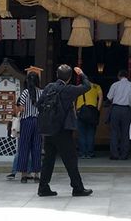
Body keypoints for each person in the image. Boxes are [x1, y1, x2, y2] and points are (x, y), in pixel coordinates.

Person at [37, 64, 93, 197]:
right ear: (69, 77)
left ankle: (43, 187)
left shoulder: (49, 87)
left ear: (57, 75)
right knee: (70, 160)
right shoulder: (69, 90)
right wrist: (81, 73)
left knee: (48, 160)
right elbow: (87, 86)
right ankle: (77, 188)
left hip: (49, 129)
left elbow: (39, 104)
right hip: (63, 129)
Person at [14, 71, 42, 183]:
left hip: (26, 121)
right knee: (37, 147)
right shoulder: (41, 92)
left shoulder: (25, 92)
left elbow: (20, 108)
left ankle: (24, 174)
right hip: (38, 121)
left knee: (24, 147)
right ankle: (37, 173)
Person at [105, 69, 131, 160]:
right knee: (125, 132)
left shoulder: (115, 85)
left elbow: (109, 98)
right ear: (127, 76)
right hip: (127, 109)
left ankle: (114, 154)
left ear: (119, 76)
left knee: (114, 132)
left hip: (116, 109)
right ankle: (124, 154)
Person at [75, 79, 103, 158]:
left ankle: (82, 153)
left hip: (81, 111)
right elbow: (101, 97)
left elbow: (74, 99)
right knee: (91, 133)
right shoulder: (96, 86)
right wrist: (98, 109)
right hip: (92, 112)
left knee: (81, 134)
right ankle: (90, 153)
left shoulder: (79, 87)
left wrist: (74, 110)